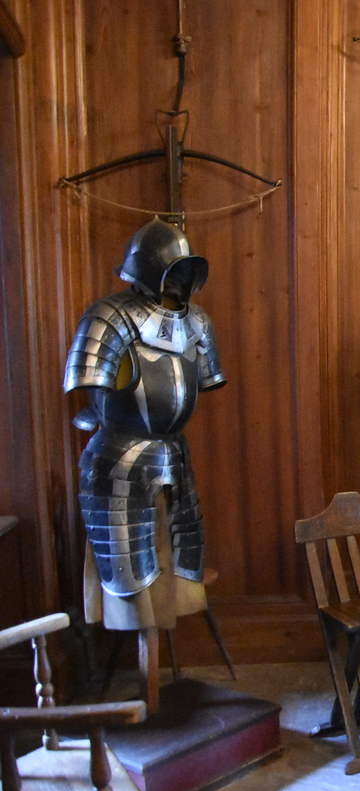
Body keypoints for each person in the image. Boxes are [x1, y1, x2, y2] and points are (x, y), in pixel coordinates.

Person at [64, 218, 223, 630]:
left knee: (181, 563)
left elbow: (204, 378)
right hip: (120, 459)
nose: (180, 283)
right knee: (130, 586)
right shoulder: (109, 317)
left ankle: (156, 645)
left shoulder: (197, 321)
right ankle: (143, 654)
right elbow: (89, 394)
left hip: (174, 455)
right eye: (174, 272)